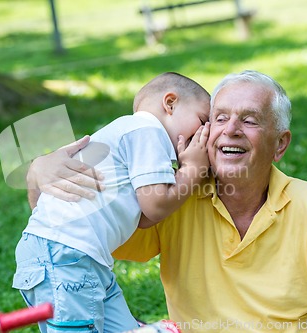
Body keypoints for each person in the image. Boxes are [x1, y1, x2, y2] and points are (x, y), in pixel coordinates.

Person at [26, 70, 307, 333]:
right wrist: (38, 174)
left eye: (249, 120)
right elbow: (68, 236)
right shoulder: (172, 196)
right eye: (217, 119)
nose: (230, 129)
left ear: (280, 145)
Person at [13, 72, 211, 333]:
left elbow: (144, 218)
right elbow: (155, 205)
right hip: (65, 256)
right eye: (203, 121)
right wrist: (193, 171)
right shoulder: (147, 130)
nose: (206, 134)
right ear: (170, 103)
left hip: (81, 258)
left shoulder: (135, 135)